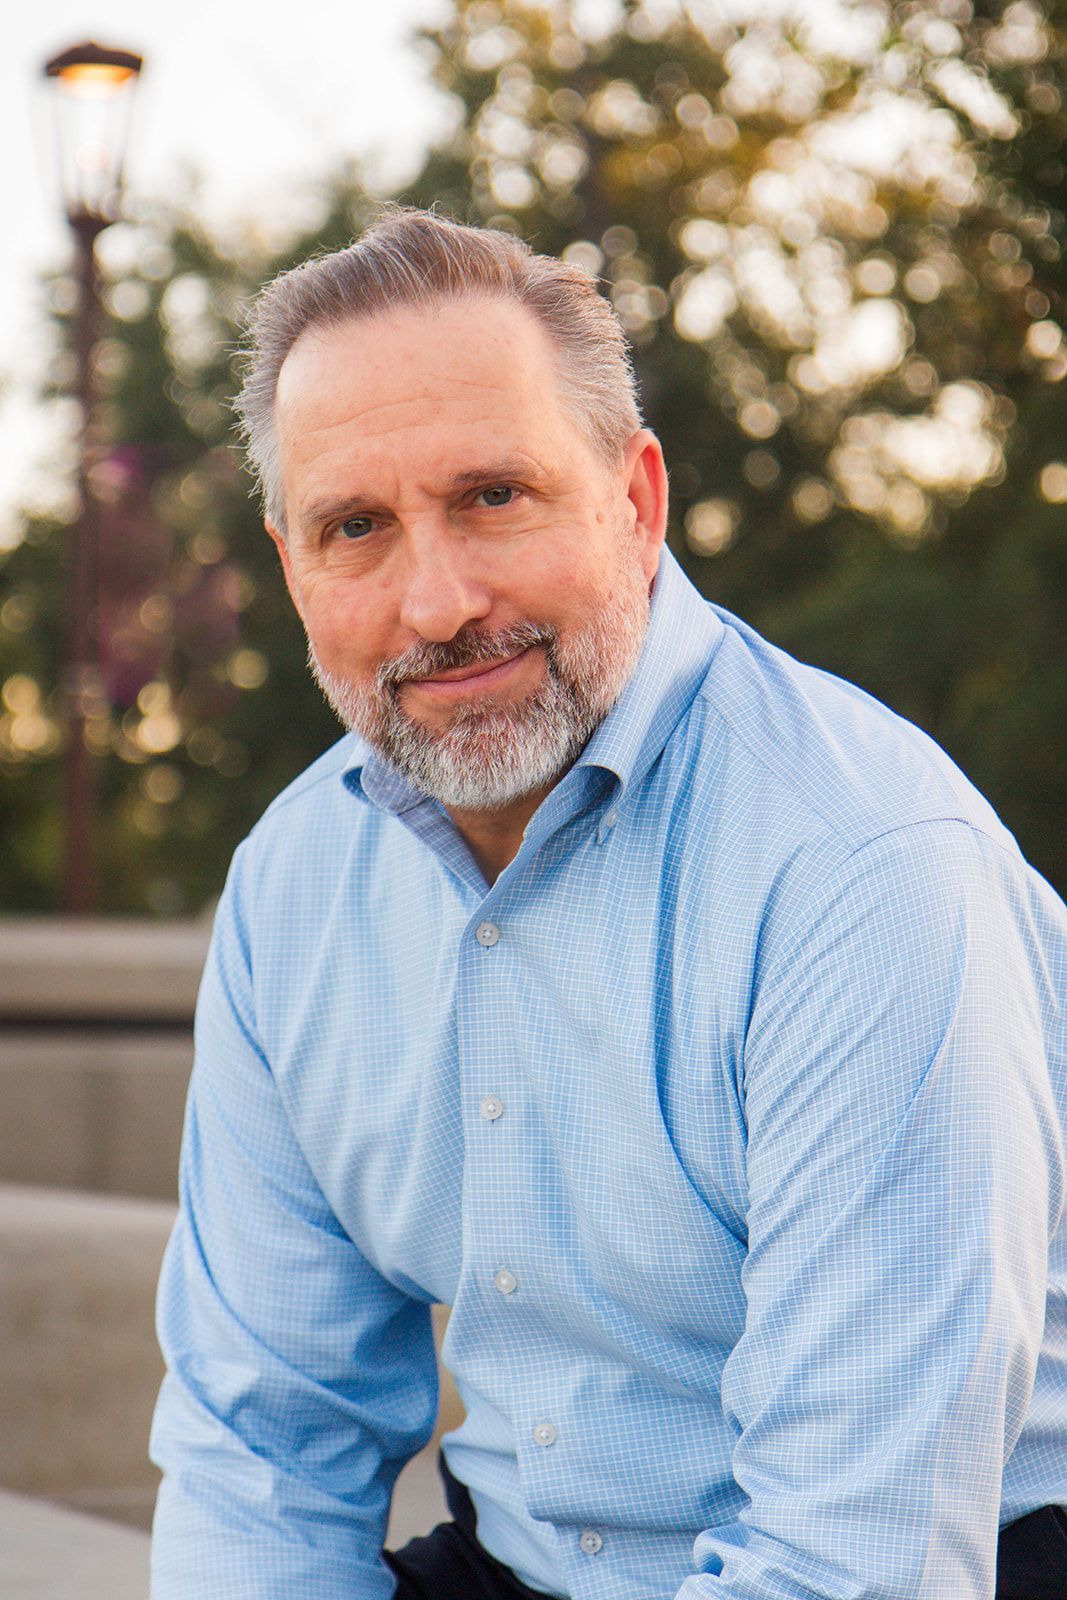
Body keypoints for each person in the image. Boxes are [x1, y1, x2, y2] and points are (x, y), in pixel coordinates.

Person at [149, 208, 1067, 1600]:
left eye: (492, 498)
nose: (438, 604)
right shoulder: (292, 892)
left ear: (635, 501)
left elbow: (856, 1560)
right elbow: (264, 1454)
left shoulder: (864, 867)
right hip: (525, 1564)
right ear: (292, 568)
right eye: (357, 528)